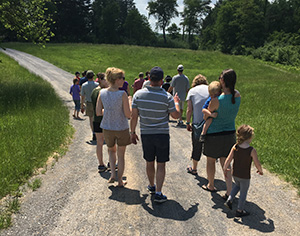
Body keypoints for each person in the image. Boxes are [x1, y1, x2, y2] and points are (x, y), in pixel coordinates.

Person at [130, 66, 181, 203]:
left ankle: (151, 185)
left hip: (146, 134)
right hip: (162, 134)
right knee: (161, 164)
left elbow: (134, 116)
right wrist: (177, 103)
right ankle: (158, 192)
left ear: (149, 79)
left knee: (149, 161)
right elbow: (175, 116)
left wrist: (132, 132)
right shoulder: (167, 97)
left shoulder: (138, 95)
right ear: (161, 80)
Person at [201, 69, 241, 200]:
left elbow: (205, 116)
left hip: (214, 134)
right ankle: (229, 191)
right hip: (230, 133)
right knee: (226, 163)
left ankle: (211, 185)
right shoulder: (237, 96)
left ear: (222, 81)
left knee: (211, 161)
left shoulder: (217, 100)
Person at [96, 67, 131, 187]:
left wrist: (109, 110)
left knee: (111, 151)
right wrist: (129, 104)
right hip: (121, 127)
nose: (123, 80)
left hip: (107, 126)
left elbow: (98, 112)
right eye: (122, 78)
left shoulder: (102, 93)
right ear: (116, 80)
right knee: (121, 155)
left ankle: (112, 176)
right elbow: (128, 114)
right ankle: (120, 180)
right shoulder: (122, 94)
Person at [223, 124, 263, 217]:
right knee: (243, 192)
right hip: (245, 176)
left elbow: (228, 160)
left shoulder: (235, 147)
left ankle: (229, 199)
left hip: (235, 174)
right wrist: (260, 170)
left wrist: (225, 169)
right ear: (249, 137)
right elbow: (257, 163)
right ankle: (240, 210)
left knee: (237, 186)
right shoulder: (251, 150)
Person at [185, 74, 209, 175]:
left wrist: (187, 122)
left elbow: (189, 109)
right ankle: (210, 172)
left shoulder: (192, 91)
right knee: (209, 148)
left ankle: (194, 168)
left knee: (196, 146)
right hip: (209, 122)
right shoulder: (211, 89)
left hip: (197, 123)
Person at [91, 77, 109, 173]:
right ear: (101, 80)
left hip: (96, 120)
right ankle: (111, 162)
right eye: (106, 80)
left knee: (99, 143)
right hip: (104, 119)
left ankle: (101, 164)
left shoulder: (94, 91)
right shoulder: (103, 92)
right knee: (110, 143)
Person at [81, 70, 99, 141]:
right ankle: (98, 132)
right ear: (93, 76)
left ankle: (93, 133)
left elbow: (82, 96)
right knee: (97, 118)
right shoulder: (97, 85)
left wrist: (82, 105)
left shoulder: (84, 85)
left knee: (91, 119)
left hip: (88, 102)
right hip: (96, 102)